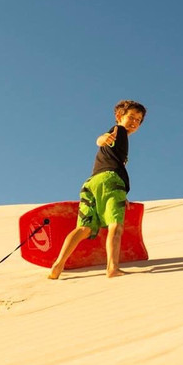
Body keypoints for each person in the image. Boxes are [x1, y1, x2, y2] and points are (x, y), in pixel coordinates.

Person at [49, 100, 147, 279]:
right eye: (131, 117)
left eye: (139, 120)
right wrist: (103, 139)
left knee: (83, 229)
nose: (134, 122)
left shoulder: (118, 140)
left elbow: (104, 145)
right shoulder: (120, 131)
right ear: (119, 116)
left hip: (91, 184)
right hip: (111, 181)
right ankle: (112, 268)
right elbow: (102, 139)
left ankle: (58, 264)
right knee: (115, 225)